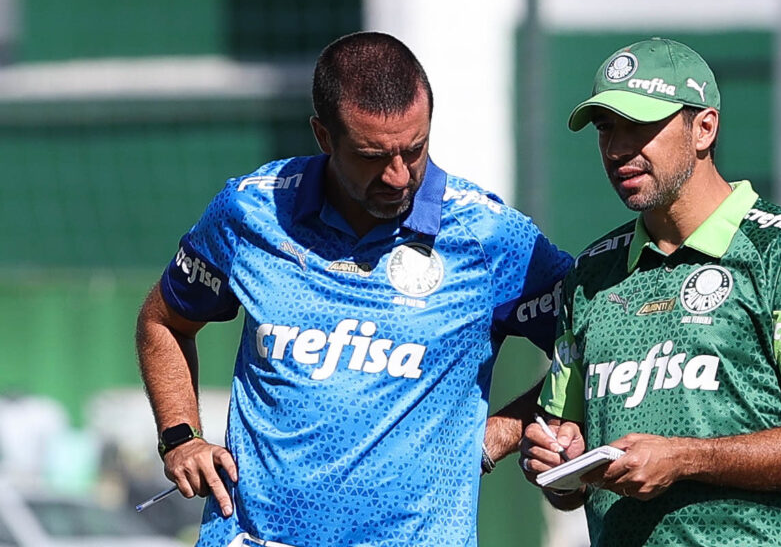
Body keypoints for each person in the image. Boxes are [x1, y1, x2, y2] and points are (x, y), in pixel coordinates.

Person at [135, 31, 572, 547]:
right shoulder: (251, 211)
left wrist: (498, 434)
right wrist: (180, 437)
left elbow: (593, 348)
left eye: (415, 149)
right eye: (372, 155)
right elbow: (163, 322)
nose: (398, 175)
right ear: (323, 136)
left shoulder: (490, 236)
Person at [519, 37, 781, 546]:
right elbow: (567, 473)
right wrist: (559, 464)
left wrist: (685, 459)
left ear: (704, 127)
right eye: (606, 128)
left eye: (640, 125)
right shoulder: (591, 275)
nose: (618, 148)